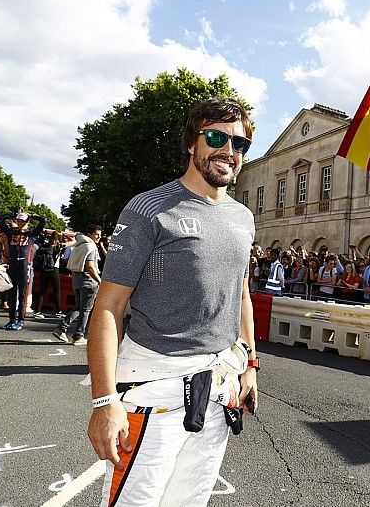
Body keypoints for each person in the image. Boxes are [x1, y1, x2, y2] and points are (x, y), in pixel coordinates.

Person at [87, 97, 258, 506]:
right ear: (191, 144)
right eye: (217, 136)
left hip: (219, 387)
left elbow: (242, 294)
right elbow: (108, 307)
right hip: (153, 387)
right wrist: (104, 400)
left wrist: (251, 364)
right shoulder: (149, 207)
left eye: (240, 144)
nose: (229, 151)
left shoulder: (243, 216)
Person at [0, 212, 46, 330]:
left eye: (23, 221)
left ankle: (21, 320)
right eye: (18, 221)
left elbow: (43, 221)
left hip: (25, 266)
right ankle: (11, 319)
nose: (20, 223)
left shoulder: (32, 234)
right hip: (12, 264)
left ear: (27, 222)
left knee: (23, 294)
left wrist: (33, 215)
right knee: (11, 293)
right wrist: (13, 214)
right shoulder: (11, 232)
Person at [55, 225, 102, 345]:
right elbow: (90, 267)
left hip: (76, 281)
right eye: (97, 234)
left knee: (78, 307)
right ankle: (78, 335)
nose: (99, 237)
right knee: (85, 310)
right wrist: (99, 281)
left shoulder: (79, 245)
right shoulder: (91, 247)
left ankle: (62, 328)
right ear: (90, 234)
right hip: (89, 282)